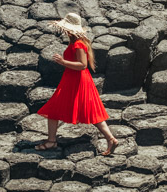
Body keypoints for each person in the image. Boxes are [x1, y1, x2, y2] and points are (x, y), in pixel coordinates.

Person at [35, 12, 119, 155]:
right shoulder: (76, 42)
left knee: (55, 109)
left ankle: (51, 141)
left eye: (66, 28)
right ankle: (110, 138)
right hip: (75, 80)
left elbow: (82, 65)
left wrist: (62, 62)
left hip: (77, 81)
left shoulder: (79, 44)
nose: (65, 31)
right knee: (89, 110)